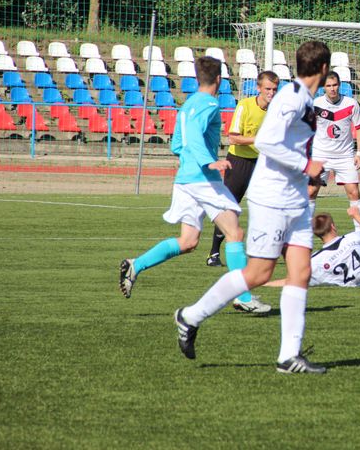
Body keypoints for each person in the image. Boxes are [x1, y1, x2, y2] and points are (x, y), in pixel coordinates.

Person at [174, 41, 330, 375]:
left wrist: (310, 171)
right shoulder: (291, 97)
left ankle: (289, 356)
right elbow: (266, 142)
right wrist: (306, 165)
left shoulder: (302, 98)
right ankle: (190, 317)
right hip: (271, 198)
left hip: (296, 199)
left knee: (301, 273)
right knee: (259, 273)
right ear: (323, 69)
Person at [119, 56, 243, 299]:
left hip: (185, 179)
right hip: (203, 179)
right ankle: (243, 297)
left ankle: (135, 265)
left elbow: (177, 144)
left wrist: (191, 156)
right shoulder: (209, 104)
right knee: (235, 234)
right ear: (219, 79)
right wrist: (210, 161)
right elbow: (194, 136)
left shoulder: (187, 105)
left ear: (197, 79)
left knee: (188, 241)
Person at [205, 70, 279, 314]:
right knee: (231, 206)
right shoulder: (245, 106)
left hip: (263, 163)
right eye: (267, 89)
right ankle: (214, 253)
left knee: (268, 204)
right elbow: (233, 138)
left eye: (274, 88)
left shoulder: (276, 109)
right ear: (259, 88)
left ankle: (265, 251)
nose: (271, 93)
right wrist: (258, 139)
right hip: (240, 161)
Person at [308, 70, 360, 232]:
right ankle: (305, 231)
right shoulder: (315, 104)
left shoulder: (351, 104)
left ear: (339, 85)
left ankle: (359, 233)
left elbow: (359, 128)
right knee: (310, 191)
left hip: (345, 156)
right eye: (328, 86)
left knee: (354, 193)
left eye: (335, 85)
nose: (332, 89)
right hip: (321, 155)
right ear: (323, 87)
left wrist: (359, 153)